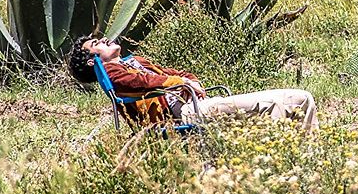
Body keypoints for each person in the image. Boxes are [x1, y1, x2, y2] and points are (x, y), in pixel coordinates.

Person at [69, 36, 318, 131]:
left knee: (301, 98)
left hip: (196, 105)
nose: (103, 38)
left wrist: (188, 82)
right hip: (183, 115)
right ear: (93, 62)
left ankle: (301, 154)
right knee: (283, 101)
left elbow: (174, 72)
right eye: (96, 44)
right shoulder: (112, 72)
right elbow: (140, 82)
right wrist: (180, 83)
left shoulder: (133, 60)